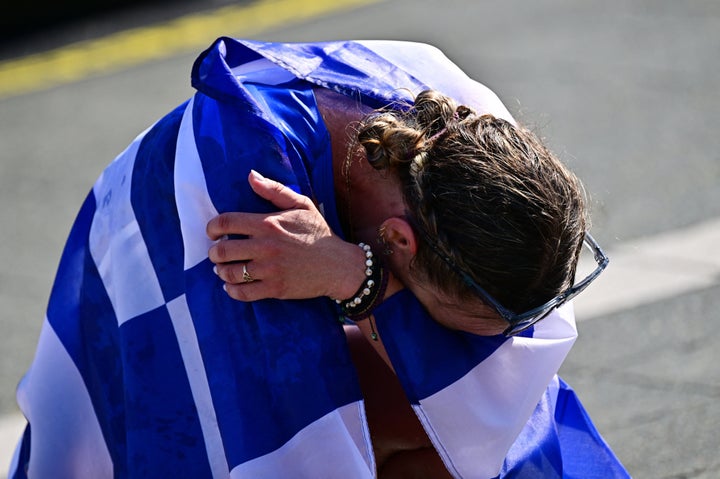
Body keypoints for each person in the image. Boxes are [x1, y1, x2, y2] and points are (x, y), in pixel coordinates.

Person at [9, 38, 628, 478]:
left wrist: (355, 277)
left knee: (447, 436)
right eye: (443, 326)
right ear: (399, 242)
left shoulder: (480, 139)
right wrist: (370, 289)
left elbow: (507, 388)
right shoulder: (241, 187)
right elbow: (277, 448)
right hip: (148, 287)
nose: (475, 356)